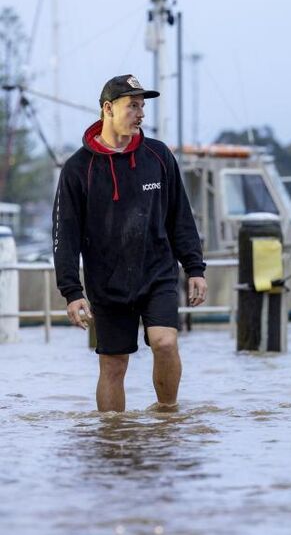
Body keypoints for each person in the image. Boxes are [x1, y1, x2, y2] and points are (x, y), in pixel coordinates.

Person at [53, 74, 207, 412]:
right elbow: (65, 234)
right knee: (114, 364)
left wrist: (194, 267)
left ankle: (167, 420)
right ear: (108, 108)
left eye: (142, 106)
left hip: (157, 273)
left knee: (164, 343)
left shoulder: (158, 155)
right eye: (132, 106)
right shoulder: (78, 168)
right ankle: (113, 439)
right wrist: (72, 291)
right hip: (107, 281)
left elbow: (180, 216)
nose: (140, 114)